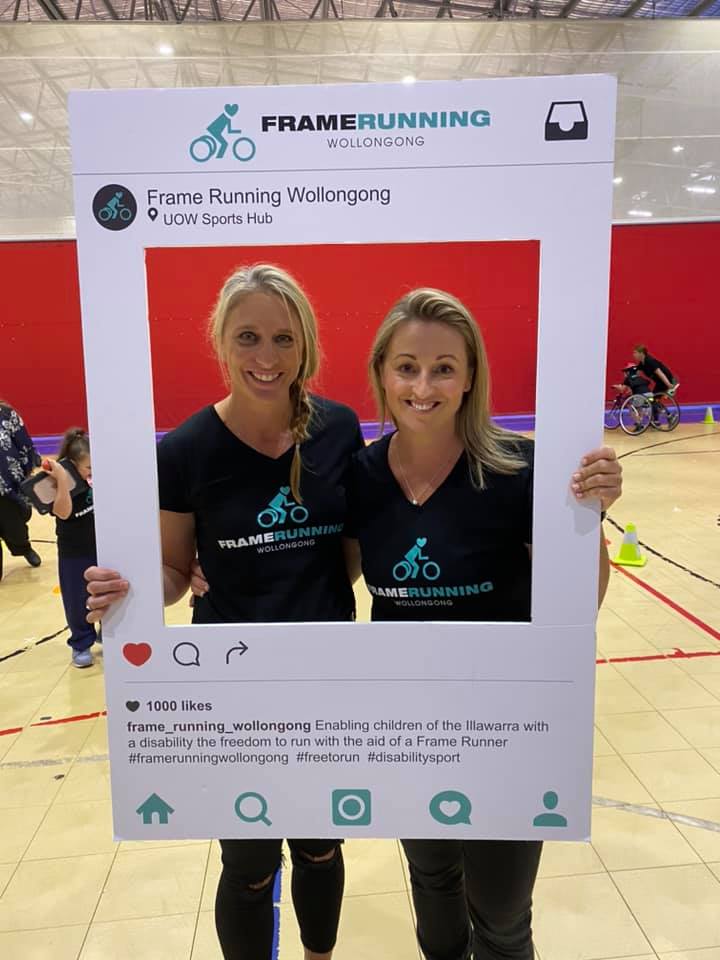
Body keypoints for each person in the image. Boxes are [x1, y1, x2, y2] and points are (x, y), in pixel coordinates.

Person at [84, 264, 364, 960]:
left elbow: (354, 554)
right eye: (248, 337)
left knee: (321, 846)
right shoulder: (186, 451)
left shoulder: (338, 429)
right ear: (221, 342)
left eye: (283, 338)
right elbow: (174, 574)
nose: (266, 357)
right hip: (231, 687)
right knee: (248, 864)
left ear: (306, 344)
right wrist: (128, 589)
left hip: (326, 679)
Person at [344, 288, 622, 960]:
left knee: (500, 915)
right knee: (433, 883)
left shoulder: (520, 469)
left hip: (507, 728)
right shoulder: (359, 476)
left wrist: (586, 520)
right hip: (407, 724)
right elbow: (330, 573)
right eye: (407, 367)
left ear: (470, 377)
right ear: (382, 373)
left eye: (444, 368)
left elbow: (579, 602)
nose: (423, 387)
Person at [43, 428, 99, 668]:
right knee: (77, 600)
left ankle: (108, 633)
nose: (92, 472)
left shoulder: (97, 478)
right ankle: (81, 642)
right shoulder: (52, 484)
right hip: (74, 552)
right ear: (73, 465)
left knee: (106, 593)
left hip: (100, 544)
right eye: (88, 468)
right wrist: (63, 481)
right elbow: (63, 513)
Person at [0, 398, 41, 579]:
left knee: (14, 525)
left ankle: (24, 547)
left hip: (7, 486)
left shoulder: (5, 413)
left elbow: (23, 443)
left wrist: (27, 467)